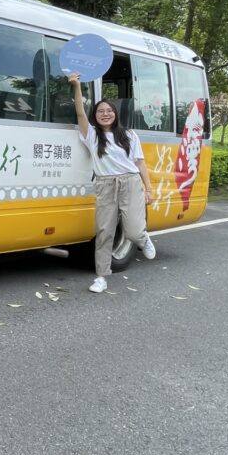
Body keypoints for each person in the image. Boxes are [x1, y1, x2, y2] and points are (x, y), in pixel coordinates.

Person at [69, 73, 156, 293]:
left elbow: (140, 163)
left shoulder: (129, 135)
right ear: (95, 116)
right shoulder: (91, 135)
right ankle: (101, 277)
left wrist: (149, 188)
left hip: (130, 182)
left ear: (115, 114)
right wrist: (77, 86)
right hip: (105, 185)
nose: (105, 114)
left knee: (134, 231)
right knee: (105, 231)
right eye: (100, 111)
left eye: (109, 111)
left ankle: (143, 239)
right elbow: (80, 112)